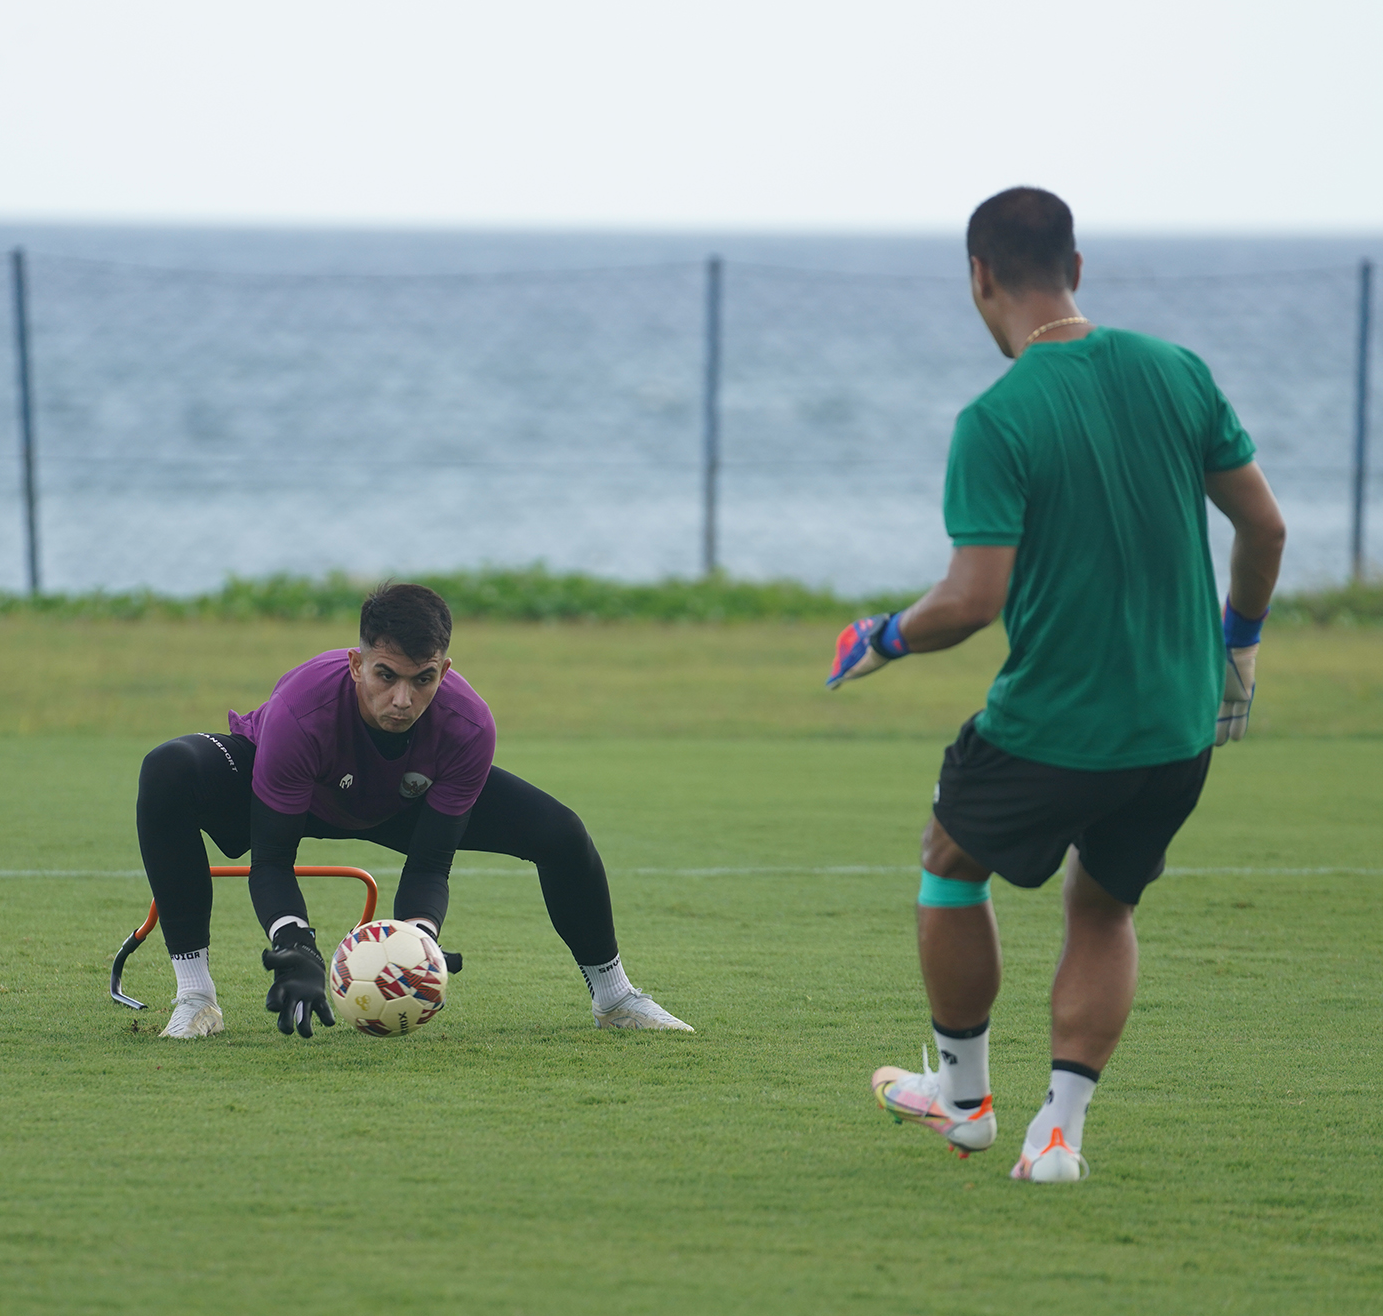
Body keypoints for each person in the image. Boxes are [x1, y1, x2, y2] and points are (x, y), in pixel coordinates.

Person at [828, 187, 1285, 1182]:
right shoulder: (1174, 369)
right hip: (1175, 727)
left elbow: (970, 597)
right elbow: (1264, 528)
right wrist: (1236, 651)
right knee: (1102, 907)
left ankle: (961, 1101)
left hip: (1054, 725)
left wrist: (882, 635)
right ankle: (1056, 1136)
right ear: (1075, 269)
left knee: (948, 858)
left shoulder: (995, 418)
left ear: (978, 277)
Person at [135, 581, 693, 1039]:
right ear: (357, 663)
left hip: (397, 799)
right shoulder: (300, 712)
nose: (402, 700)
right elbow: (274, 859)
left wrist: (419, 940)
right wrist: (294, 942)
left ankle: (615, 997)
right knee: (168, 769)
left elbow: (429, 866)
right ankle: (196, 997)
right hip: (292, 790)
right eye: (386, 676)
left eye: (422, 679)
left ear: (444, 672)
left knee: (562, 832)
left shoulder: (468, 727)